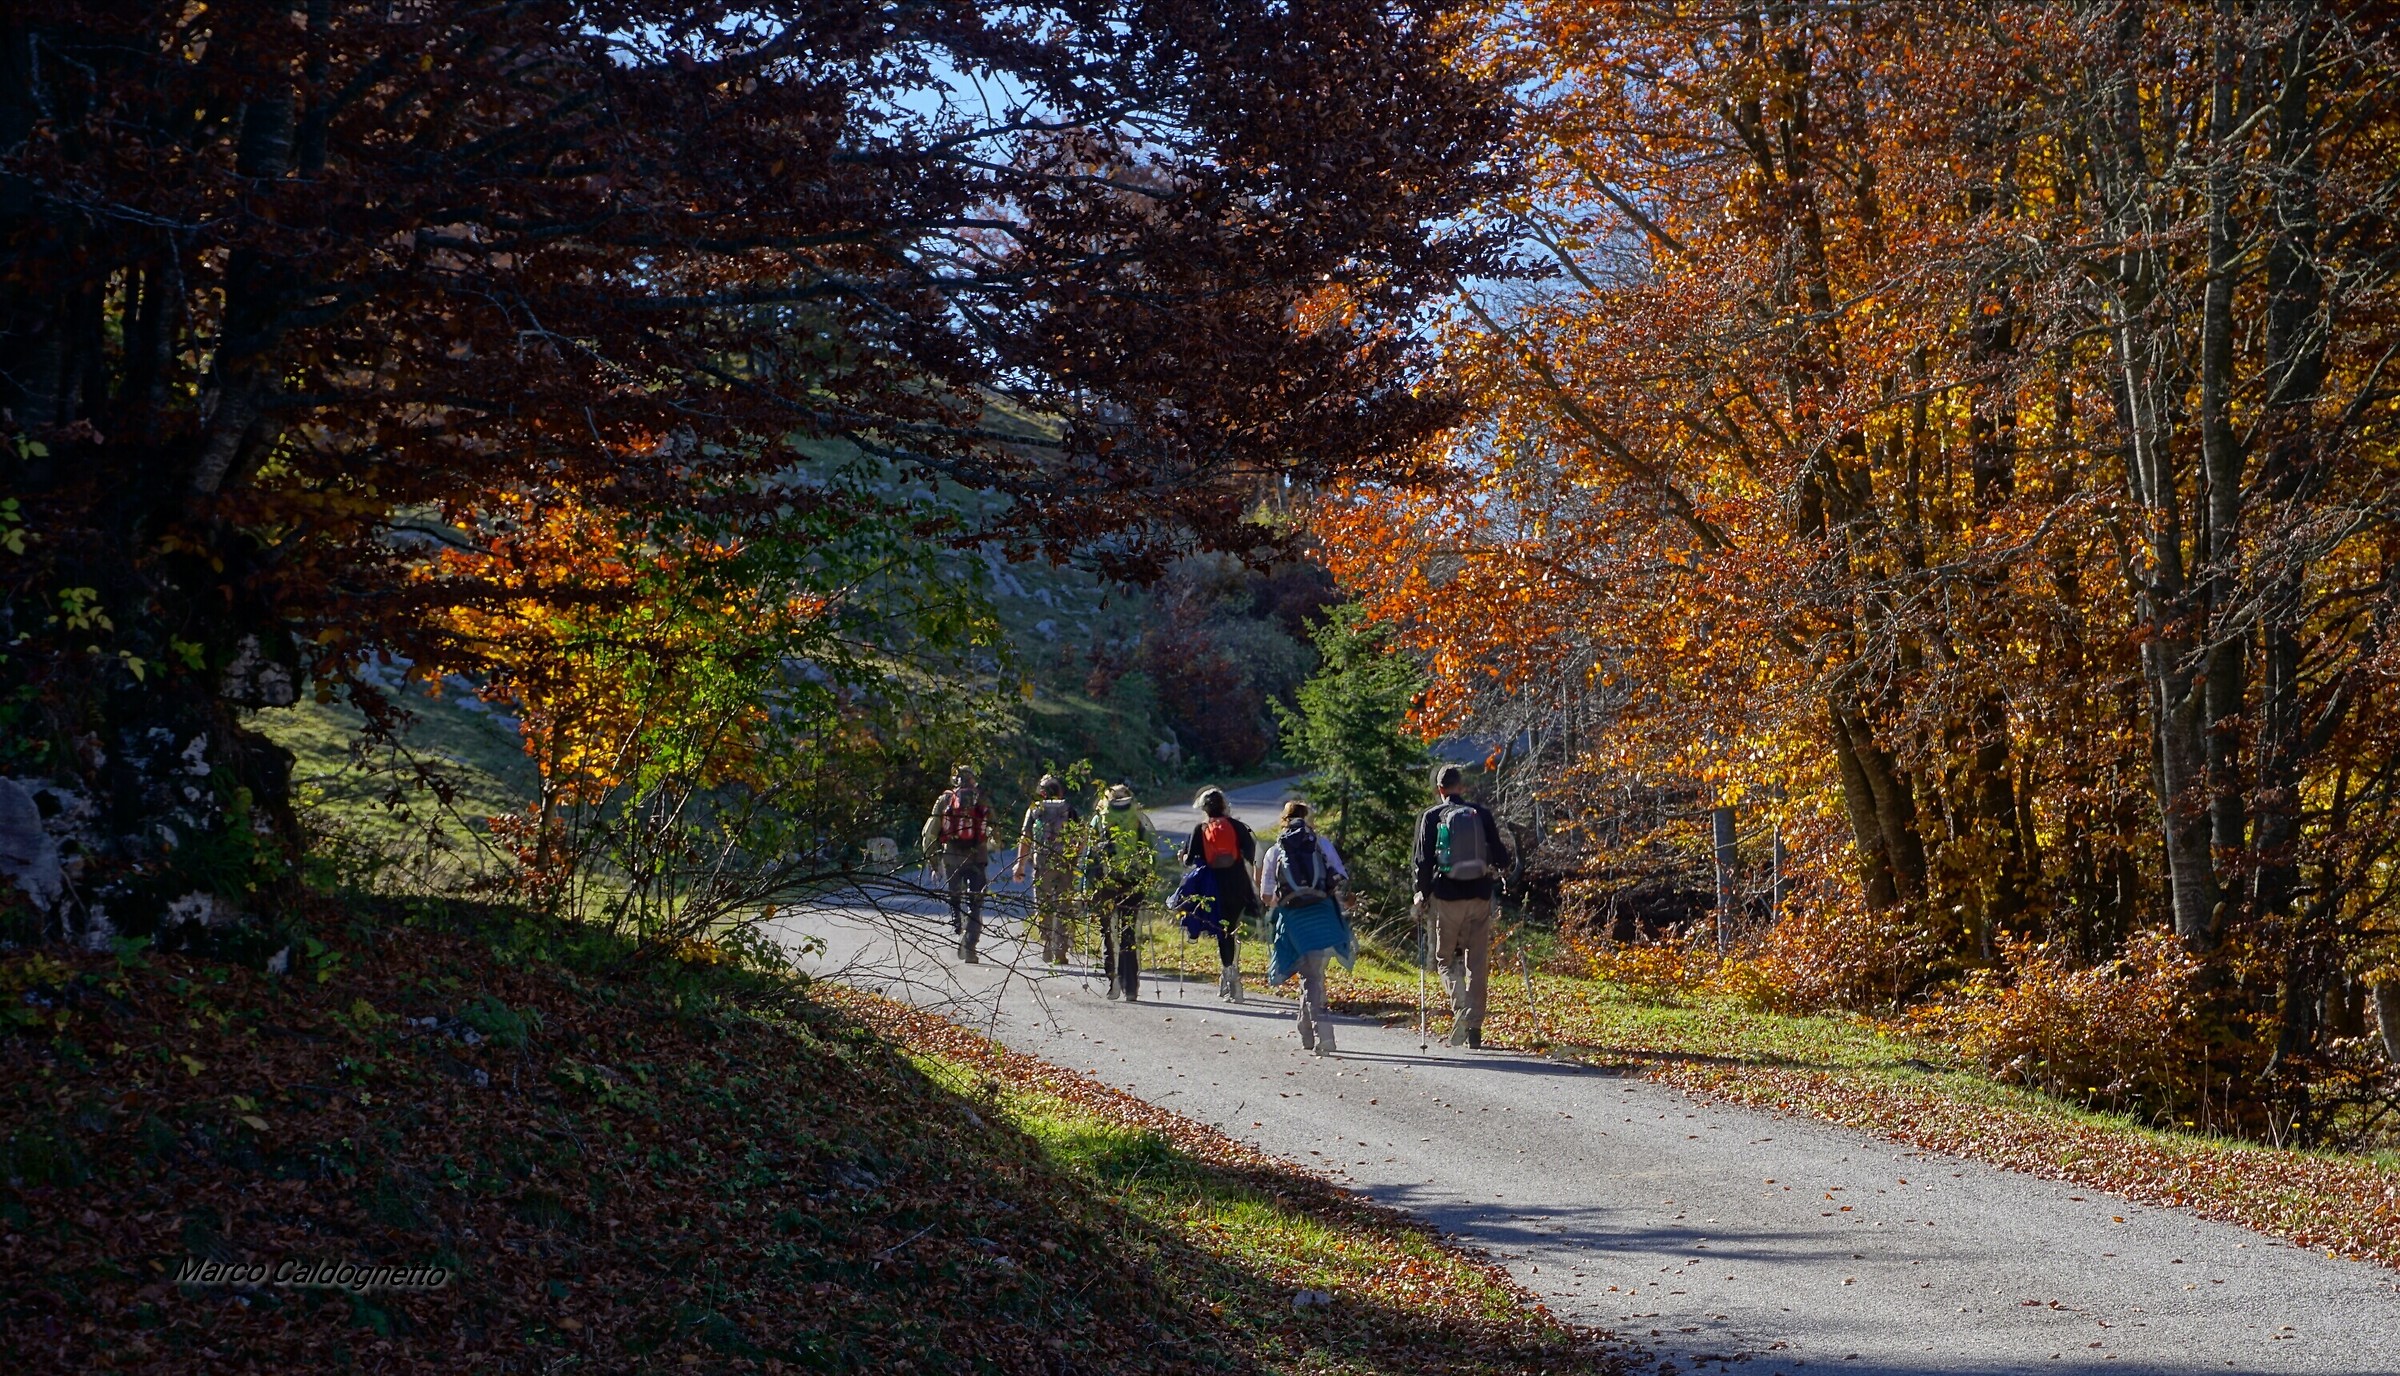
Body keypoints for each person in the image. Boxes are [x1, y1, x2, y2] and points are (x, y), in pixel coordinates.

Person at [1412, 763, 1513, 1048]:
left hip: (1448, 897)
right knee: (1477, 962)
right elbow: (1502, 857)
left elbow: (1423, 862)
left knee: (1444, 959)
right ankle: (1475, 1029)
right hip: (1480, 895)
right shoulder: (1480, 814)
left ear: (1440, 790)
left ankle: (1460, 1008)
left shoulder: (1432, 816)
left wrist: (1421, 893)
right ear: (1462, 787)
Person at [1257, 800, 1354, 1055]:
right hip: (1323, 914)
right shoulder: (1321, 844)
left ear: (1284, 819)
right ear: (1308, 820)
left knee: (1309, 975)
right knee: (1313, 974)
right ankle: (1308, 1031)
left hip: (1293, 919)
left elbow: (1266, 895)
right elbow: (1340, 877)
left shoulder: (1275, 851)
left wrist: (1286, 899)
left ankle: (1323, 1034)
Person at [1182, 786, 1258, 1002]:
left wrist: (1184, 856)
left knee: (1222, 932)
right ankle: (1231, 977)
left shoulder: (1201, 828)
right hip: (1238, 884)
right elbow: (1251, 853)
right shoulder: (1237, 826)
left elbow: (1189, 861)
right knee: (1231, 930)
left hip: (1212, 886)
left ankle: (1230, 978)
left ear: (1204, 808)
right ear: (1225, 805)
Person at [1084, 782, 1158, 1000]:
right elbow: (1150, 849)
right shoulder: (1137, 817)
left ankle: (1112, 980)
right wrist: (1148, 877)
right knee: (1128, 933)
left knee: (1107, 933)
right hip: (1132, 882)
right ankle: (1131, 987)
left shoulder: (1099, 818)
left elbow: (1090, 855)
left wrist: (1086, 887)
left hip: (1105, 883)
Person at [922, 765, 993, 962]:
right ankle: (970, 945)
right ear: (973, 780)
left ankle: (958, 926)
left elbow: (930, 833)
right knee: (976, 903)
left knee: (955, 898)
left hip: (951, 857)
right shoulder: (982, 798)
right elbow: (995, 830)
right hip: (977, 857)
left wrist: (933, 862)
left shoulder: (945, 800)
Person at [1012, 774, 1077, 964]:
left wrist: (1020, 864)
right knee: (1064, 906)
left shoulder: (1034, 810)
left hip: (1042, 864)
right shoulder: (1069, 809)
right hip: (1065, 864)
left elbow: (1026, 837)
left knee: (1043, 904)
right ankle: (1061, 950)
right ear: (1060, 791)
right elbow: (1079, 838)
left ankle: (1047, 941)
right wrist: (1076, 861)